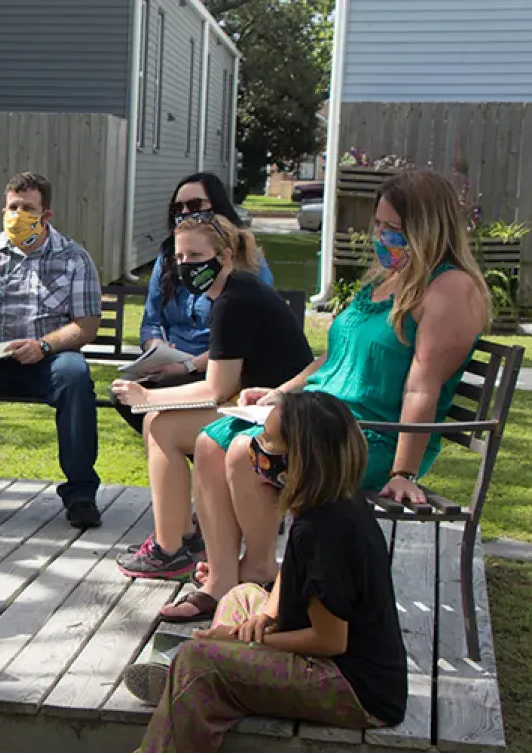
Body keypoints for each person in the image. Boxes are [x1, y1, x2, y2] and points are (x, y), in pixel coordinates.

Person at [177, 169, 491, 622]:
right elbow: (332, 358)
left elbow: (424, 383)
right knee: (212, 439)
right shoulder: (386, 279)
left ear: (427, 227)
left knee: (247, 451)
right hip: (319, 418)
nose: (380, 236)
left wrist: (404, 471)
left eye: (393, 229)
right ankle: (224, 578)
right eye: (379, 225)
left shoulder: (450, 290)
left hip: (368, 437)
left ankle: (263, 573)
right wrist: (278, 393)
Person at [126, 392, 407, 753]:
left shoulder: (325, 530)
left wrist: (248, 641)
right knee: (241, 596)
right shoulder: (329, 500)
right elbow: (292, 573)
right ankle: (202, 688)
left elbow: (330, 641)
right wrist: (266, 615)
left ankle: (187, 695)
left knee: (199, 661)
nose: (258, 446)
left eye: (270, 440)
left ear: (301, 459)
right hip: (329, 661)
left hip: (353, 688)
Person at [111, 214, 311, 581]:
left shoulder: (234, 301)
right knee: (162, 422)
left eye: (196, 256)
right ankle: (178, 538)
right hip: (263, 408)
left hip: (282, 417)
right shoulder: (235, 292)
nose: (187, 266)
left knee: (162, 426)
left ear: (225, 257)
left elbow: (216, 389)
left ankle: (171, 547)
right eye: (181, 258)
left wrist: (146, 396)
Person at [0, 171, 103, 529]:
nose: (17, 214)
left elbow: (86, 326)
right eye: (12, 207)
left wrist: (44, 346)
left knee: (75, 373)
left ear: (46, 215)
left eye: (27, 208)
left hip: (48, 361)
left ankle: (81, 494)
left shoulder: (74, 258)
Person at [113, 173, 274, 434]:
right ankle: (188, 452)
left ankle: (195, 450)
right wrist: (158, 349)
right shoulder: (169, 256)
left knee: (157, 410)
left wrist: (188, 365)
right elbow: (152, 322)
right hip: (173, 364)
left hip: (224, 365)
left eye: (196, 205)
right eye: (179, 208)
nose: (186, 213)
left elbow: (248, 335)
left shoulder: (243, 261)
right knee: (121, 395)